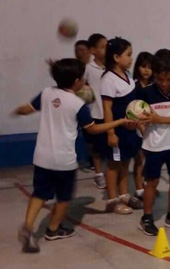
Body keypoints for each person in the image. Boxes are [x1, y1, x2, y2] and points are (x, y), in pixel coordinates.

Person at [15, 59, 133, 253]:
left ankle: (28, 227)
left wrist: (17, 111)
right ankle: (53, 230)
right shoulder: (78, 104)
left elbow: (27, 109)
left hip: (41, 157)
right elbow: (94, 129)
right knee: (63, 198)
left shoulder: (46, 93)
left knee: (39, 194)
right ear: (77, 81)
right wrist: (118, 122)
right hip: (63, 161)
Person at [137, 49, 170, 236]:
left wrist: (159, 119)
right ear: (154, 74)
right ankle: (146, 218)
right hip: (153, 146)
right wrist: (140, 125)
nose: (165, 84)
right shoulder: (146, 93)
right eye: (160, 79)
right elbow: (137, 117)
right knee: (152, 182)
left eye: (169, 79)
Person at [101, 37, 143, 214]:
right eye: (128, 55)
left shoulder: (128, 76)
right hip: (117, 129)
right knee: (113, 164)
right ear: (117, 57)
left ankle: (124, 194)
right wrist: (110, 132)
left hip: (130, 130)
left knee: (126, 161)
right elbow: (107, 108)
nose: (131, 58)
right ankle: (112, 199)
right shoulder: (109, 78)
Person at [83, 33, 108, 188]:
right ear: (93, 50)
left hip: (110, 113)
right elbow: (79, 85)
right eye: (102, 47)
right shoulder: (88, 68)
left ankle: (113, 173)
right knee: (97, 148)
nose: (106, 50)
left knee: (112, 146)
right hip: (95, 113)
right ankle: (99, 174)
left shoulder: (111, 67)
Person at [132, 52, 154, 200]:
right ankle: (139, 188)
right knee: (139, 158)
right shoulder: (133, 86)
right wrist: (139, 125)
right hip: (138, 127)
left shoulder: (155, 86)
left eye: (150, 67)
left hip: (152, 127)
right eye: (143, 66)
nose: (146, 70)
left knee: (150, 158)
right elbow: (132, 108)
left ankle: (148, 184)